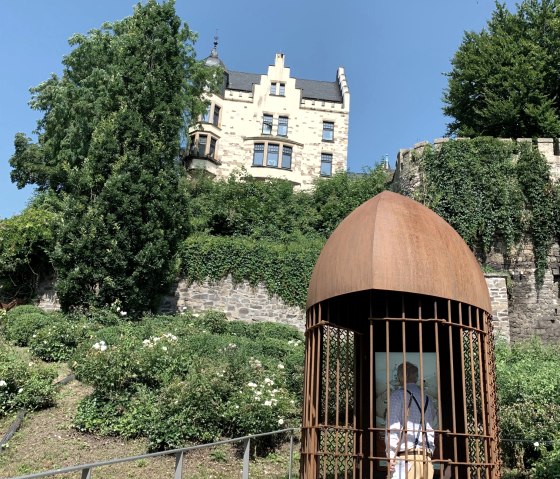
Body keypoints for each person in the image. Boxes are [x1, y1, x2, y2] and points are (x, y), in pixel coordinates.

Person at [387, 362, 436, 479]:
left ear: (400, 377)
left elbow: (393, 428)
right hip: (426, 460)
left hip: (406, 460)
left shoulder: (397, 396)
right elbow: (431, 422)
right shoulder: (427, 399)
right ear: (416, 377)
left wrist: (391, 456)